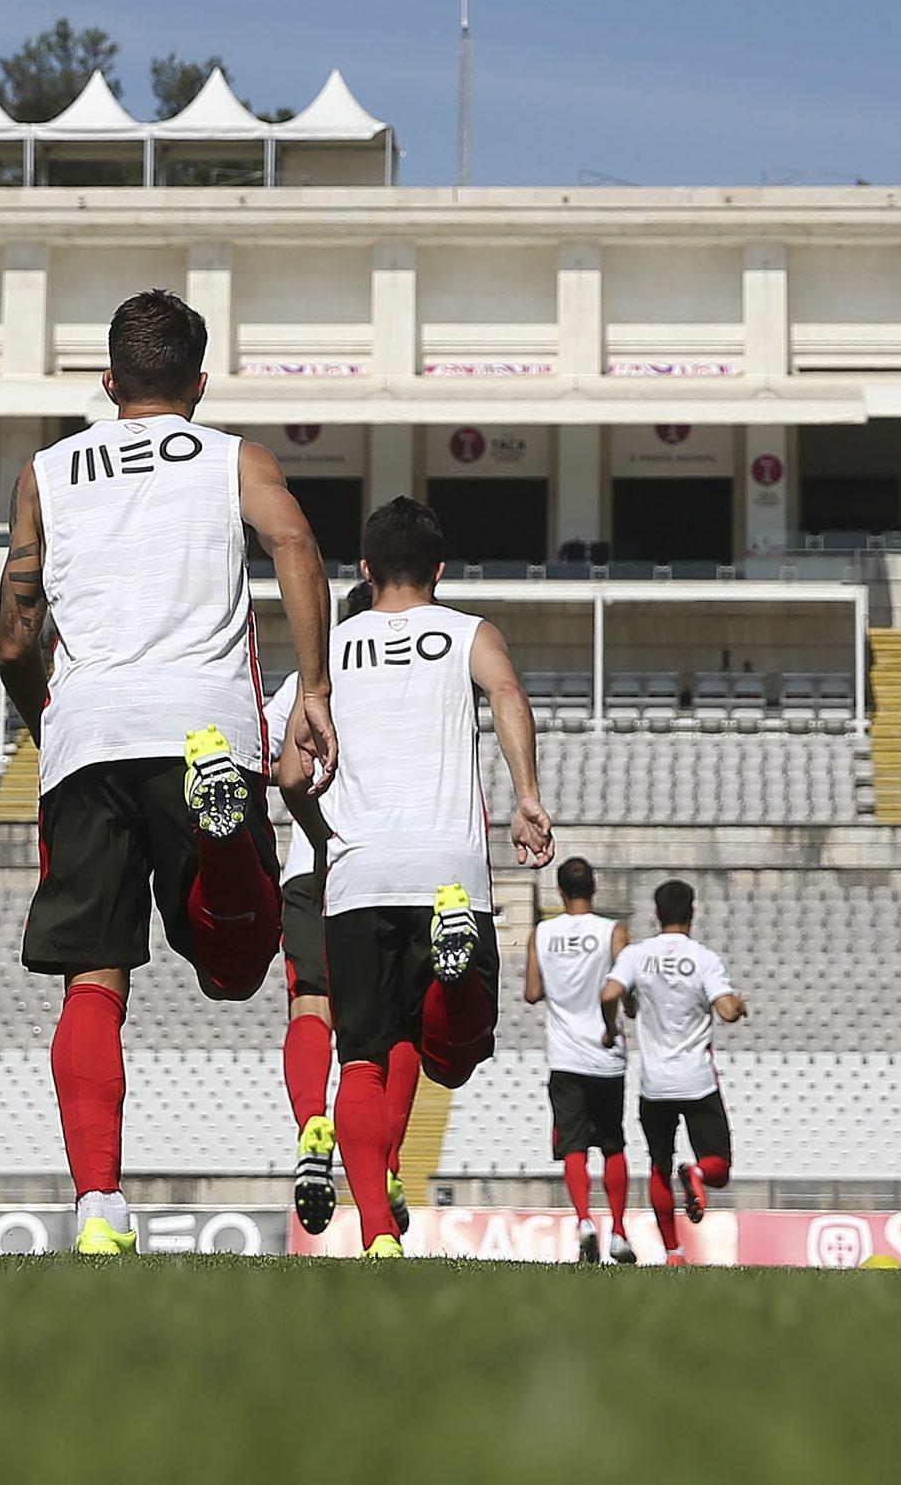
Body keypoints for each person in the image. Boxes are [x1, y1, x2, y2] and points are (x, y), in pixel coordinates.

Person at [0, 291, 338, 1256]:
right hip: (207, 730)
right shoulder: (236, 456)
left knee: (92, 982)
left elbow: (17, 633)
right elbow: (297, 546)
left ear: (107, 382)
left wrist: (49, 723)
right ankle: (226, 840)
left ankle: (99, 1208)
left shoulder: (45, 472)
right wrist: (311, 688)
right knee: (234, 972)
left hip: (88, 734)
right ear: (198, 383)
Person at [311, 495, 554, 1256]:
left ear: (363, 569)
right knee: (454, 1053)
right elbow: (509, 693)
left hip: (359, 871)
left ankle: (379, 1237)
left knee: (360, 1056)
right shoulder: (467, 633)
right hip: (448, 865)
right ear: (441, 570)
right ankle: (450, 976)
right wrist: (527, 798)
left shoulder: (334, 642)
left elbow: (292, 755)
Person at [603, 879, 745, 1263]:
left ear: (656, 913)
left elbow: (609, 994)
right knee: (719, 1168)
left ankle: (673, 1252)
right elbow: (728, 1012)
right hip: (697, 1081)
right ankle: (696, 1172)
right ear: (693, 912)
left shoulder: (637, 955)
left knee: (658, 1166)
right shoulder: (703, 958)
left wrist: (613, 1021)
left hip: (655, 1085)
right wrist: (740, 1003)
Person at [266, 667, 343, 1237]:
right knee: (384, 1031)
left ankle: (314, 1118)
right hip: (392, 870)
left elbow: (265, 758)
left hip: (313, 866)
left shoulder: (308, 679)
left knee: (309, 1003)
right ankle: (384, 1166)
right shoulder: (438, 660)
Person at [528, 857, 635, 1261]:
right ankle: (620, 1231)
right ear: (594, 888)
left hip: (564, 1055)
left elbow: (532, 992)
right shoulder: (613, 932)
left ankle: (584, 1219)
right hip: (607, 1055)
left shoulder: (541, 933)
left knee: (572, 1145)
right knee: (612, 1145)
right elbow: (625, 988)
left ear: (559, 891)